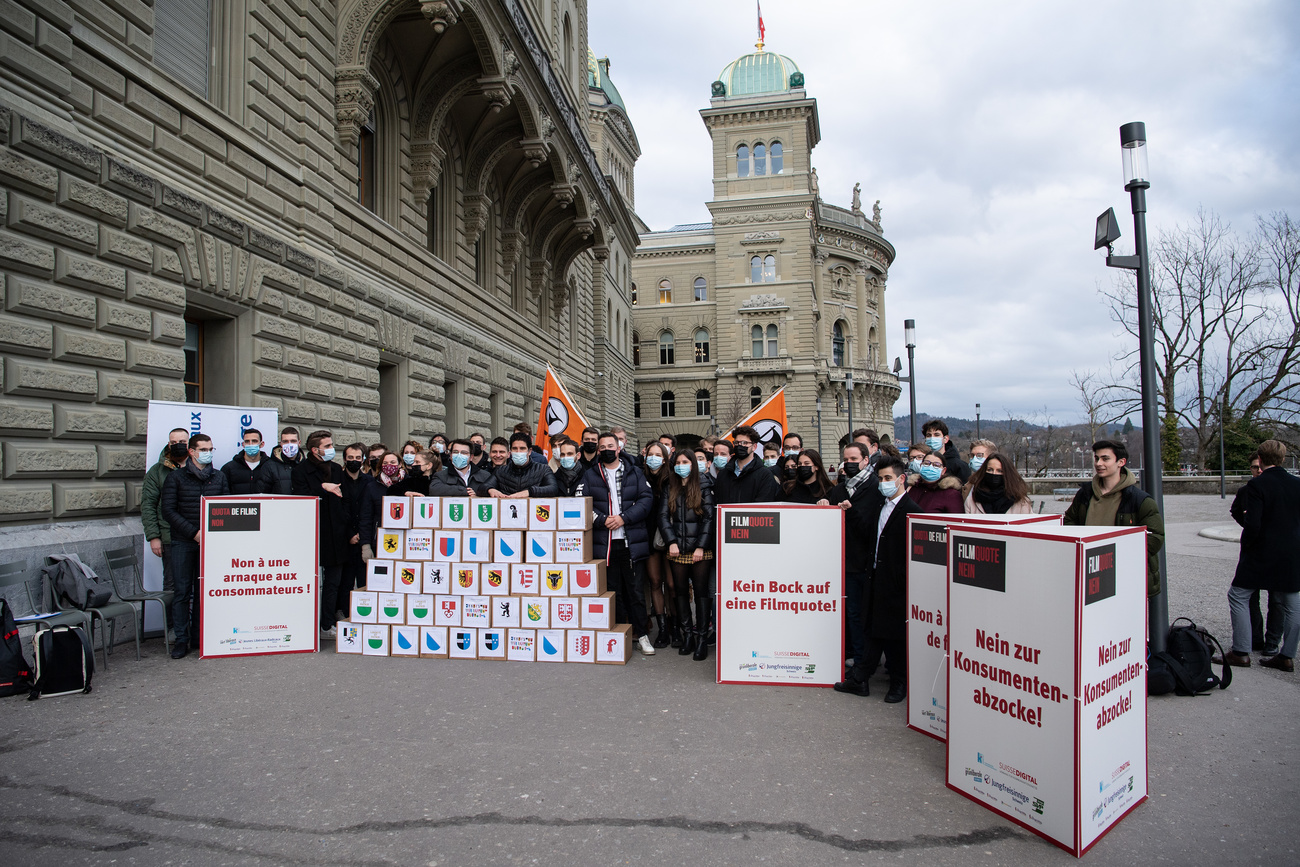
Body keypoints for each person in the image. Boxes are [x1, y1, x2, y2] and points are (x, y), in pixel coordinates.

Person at [834, 456, 917, 702]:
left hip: (896, 583)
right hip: (874, 577)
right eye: (880, 479)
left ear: (901, 479)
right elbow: (872, 536)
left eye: (888, 478)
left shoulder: (912, 511)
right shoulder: (881, 506)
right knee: (870, 630)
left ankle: (898, 684)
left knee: (893, 636)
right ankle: (861, 679)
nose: (883, 483)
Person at [1224, 440, 1300, 671]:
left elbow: (1253, 524)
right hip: (1292, 552)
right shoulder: (1297, 484)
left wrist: (1247, 545)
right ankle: (1287, 655)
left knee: (1238, 596)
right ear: (1283, 458)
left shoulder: (1257, 486)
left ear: (1261, 458)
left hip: (1261, 552)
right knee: (1292, 604)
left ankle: (1241, 651)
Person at [577, 432, 656, 655]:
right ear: (598, 451)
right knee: (613, 593)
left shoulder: (635, 472)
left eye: (610, 446)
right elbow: (582, 504)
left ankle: (642, 635)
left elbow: (646, 500)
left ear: (619, 448)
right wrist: (602, 520)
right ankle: (619, 634)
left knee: (636, 593)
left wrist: (624, 517)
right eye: (602, 447)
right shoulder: (590, 475)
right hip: (605, 544)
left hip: (631, 543)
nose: (606, 450)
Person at [1063, 440, 1165, 596]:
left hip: (1127, 577)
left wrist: (1119, 553)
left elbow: (1156, 537)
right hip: (1089, 572)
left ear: (1121, 462)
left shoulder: (1140, 500)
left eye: (1105, 458)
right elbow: (1069, 521)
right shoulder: (1084, 494)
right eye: (1096, 458)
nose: (1098, 463)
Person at [159, 433, 230, 659]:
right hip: (182, 542)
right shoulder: (176, 478)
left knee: (203, 592)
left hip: (209, 544)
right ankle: (181, 639)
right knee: (182, 592)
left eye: (210, 448)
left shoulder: (218, 477)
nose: (208, 452)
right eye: (203, 448)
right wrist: (194, 533)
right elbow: (168, 510)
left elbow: (226, 508)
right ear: (192, 451)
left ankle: (200, 637)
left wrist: (212, 534)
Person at [291, 430, 349, 640]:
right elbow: (300, 495)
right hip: (313, 532)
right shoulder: (300, 471)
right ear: (315, 450)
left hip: (337, 533)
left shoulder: (335, 468)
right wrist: (323, 487)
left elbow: (346, 500)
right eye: (327, 445)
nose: (331, 449)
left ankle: (327, 624)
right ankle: (304, 625)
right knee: (309, 582)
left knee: (333, 583)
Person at [827, 442, 880, 667]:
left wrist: (852, 511)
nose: (849, 464)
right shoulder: (840, 488)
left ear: (866, 460)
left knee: (865, 617)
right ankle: (858, 663)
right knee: (853, 616)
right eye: (845, 460)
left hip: (867, 564)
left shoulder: (875, 487)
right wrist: (823, 504)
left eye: (853, 460)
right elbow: (826, 505)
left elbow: (872, 526)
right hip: (845, 563)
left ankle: (865, 665)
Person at [660, 449, 715, 660]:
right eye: (678, 462)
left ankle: (701, 638)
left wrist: (701, 546)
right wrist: (671, 542)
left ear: (693, 464)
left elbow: (709, 518)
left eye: (685, 461)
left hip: (701, 550)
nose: (681, 465)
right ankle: (688, 635)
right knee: (680, 592)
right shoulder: (670, 486)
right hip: (677, 549)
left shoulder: (704, 484)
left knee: (701, 594)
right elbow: (663, 517)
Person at [1240, 453, 1284, 653]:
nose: (1257, 470)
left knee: (1277, 600)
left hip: (1274, 551)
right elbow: (1235, 510)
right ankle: (1256, 638)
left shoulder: (1278, 488)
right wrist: (1246, 522)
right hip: (1256, 551)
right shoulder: (1247, 490)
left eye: (1259, 466)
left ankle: (1272, 642)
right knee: (1251, 597)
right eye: (1253, 467)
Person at [142, 427, 189, 593]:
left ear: (189, 444)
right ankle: (170, 620)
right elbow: (148, 504)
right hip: (169, 536)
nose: (178, 445)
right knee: (171, 585)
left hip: (196, 536)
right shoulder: (157, 471)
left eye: (182, 442)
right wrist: (154, 536)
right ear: (168, 444)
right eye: (174, 442)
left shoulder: (199, 467)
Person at [641, 441, 675, 647]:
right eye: (650, 454)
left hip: (669, 538)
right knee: (654, 582)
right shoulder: (640, 477)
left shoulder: (672, 479)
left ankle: (675, 626)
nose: (653, 458)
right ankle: (662, 629)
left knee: (672, 584)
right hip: (649, 537)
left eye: (658, 454)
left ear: (664, 458)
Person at [338, 443, 374, 614]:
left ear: (363, 460)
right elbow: (338, 511)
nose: (354, 461)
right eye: (350, 458)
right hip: (345, 538)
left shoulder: (369, 481)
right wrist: (350, 534)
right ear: (345, 459)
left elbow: (369, 510)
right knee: (345, 581)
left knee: (364, 580)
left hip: (363, 537)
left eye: (358, 458)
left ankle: (364, 612)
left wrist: (362, 534)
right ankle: (345, 613)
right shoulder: (337, 480)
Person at [713, 426, 781, 505]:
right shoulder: (723, 474)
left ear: (754, 447)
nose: (740, 446)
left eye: (744, 443)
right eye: (737, 443)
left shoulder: (764, 475)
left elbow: (764, 506)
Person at [359, 451, 405, 561]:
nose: (389, 465)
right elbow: (365, 518)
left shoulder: (409, 483)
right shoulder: (372, 487)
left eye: (393, 462)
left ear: (399, 464)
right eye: (385, 463)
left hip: (405, 541)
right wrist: (365, 546)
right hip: (381, 542)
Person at [489, 433, 559, 497]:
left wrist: (530, 491)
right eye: (515, 448)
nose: (518, 452)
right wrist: (490, 489)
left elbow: (553, 488)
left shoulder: (543, 469)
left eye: (522, 448)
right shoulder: (501, 470)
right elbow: (483, 487)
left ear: (529, 451)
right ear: (510, 451)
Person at [964, 453, 1033, 514]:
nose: (994, 474)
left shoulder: (1021, 502)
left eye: (999, 471)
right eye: (990, 470)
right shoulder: (972, 500)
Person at [428, 438, 494, 497]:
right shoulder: (441, 476)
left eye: (464, 453)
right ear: (451, 455)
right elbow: (434, 490)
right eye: (455, 452)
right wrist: (464, 491)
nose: (459, 455)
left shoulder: (485, 476)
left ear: (471, 457)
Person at [908, 448, 964, 513]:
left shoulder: (951, 494)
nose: (930, 467)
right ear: (921, 466)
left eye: (936, 465)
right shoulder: (912, 489)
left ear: (943, 470)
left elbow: (956, 520)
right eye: (926, 463)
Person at [221, 428, 271, 494]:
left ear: (262, 444)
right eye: (247, 441)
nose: (250, 444)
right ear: (243, 444)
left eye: (254, 441)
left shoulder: (270, 466)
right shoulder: (229, 468)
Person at [921, 419, 972, 484]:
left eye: (936, 435)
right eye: (928, 435)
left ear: (945, 439)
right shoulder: (924, 463)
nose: (932, 438)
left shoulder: (959, 466)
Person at [262, 427, 302, 494]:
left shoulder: (306, 465)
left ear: (299, 443)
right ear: (281, 444)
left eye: (293, 441)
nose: (289, 444)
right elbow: (263, 493)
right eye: (285, 441)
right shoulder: (269, 466)